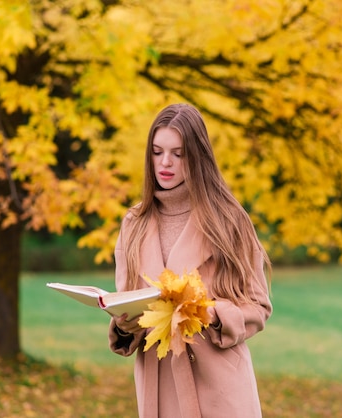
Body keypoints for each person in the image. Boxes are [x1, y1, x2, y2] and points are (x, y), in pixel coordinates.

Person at [109, 103, 272, 418]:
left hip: (220, 390)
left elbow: (258, 305)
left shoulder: (229, 220)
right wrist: (124, 323)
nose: (165, 163)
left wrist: (210, 313)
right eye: (157, 152)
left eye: (178, 153)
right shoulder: (134, 222)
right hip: (159, 389)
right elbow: (130, 300)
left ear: (197, 157)